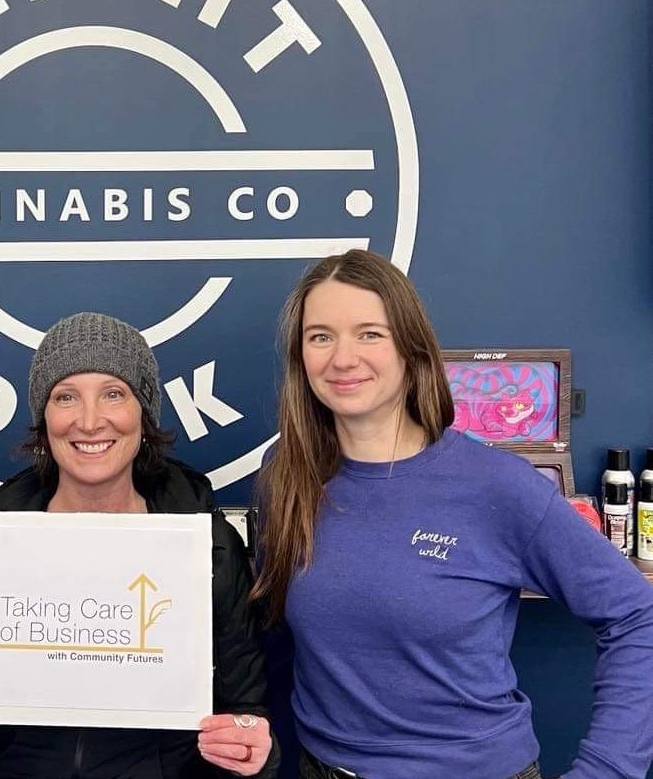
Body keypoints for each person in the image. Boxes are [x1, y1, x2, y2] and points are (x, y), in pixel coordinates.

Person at [253, 249, 653, 779]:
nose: (342, 358)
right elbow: (273, 636)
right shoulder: (286, 477)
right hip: (321, 768)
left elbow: (637, 615)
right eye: (320, 336)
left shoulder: (497, 485)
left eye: (370, 333)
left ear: (411, 348)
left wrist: (609, 769)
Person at [0, 312, 280, 778]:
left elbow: (247, 714)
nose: (90, 422)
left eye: (114, 394)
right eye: (66, 397)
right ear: (43, 419)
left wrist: (255, 754)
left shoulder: (208, 548)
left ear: (143, 415)